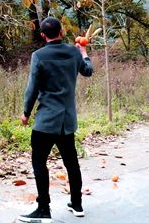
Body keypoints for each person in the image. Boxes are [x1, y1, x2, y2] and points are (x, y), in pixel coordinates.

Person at [18, 17, 93, 222]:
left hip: (46, 120)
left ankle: (44, 209)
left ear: (43, 35)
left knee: (39, 162)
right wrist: (84, 53)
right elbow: (88, 71)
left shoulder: (39, 56)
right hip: (67, 121)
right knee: (71, 163)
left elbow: (32, 88)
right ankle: (77, 204)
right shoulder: (73, 52)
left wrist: (26, 112)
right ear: (61, 32)